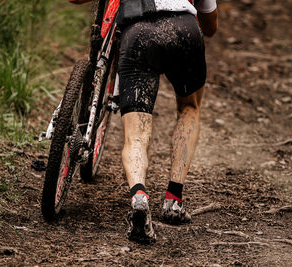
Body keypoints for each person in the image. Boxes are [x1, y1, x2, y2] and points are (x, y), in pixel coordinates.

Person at [69, 0, 218, 243]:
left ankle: (139, 197)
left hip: (138, 33)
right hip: (185, 29)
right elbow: (210, 27)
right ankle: (174, 200)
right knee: (190, 107)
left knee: (136, 134)